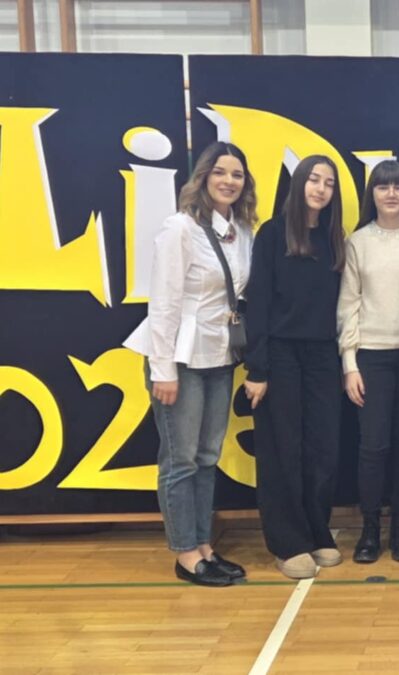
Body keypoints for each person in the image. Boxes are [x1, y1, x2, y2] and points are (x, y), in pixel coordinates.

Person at [124, 141, 256, 586]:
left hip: (220, 355)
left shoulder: (241, 231)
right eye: (220, 172)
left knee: (206, 456)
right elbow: (163, 302)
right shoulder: (180, 228)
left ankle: (205, 546)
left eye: (237, 174)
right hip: (179, 359)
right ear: (203, 178)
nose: (228, 181)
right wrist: (162, 368)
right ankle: (185, 554)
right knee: (179, 459)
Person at [243, 155, 346, 579]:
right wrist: (257, 368)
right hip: (280, 354)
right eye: (314, 179)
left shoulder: (335, 239)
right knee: (281, 448)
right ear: (299, 183)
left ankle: (317, 530)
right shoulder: (272, 233)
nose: (320, 188)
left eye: (329, 183)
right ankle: (287, 542)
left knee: (322, 448)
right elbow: (258, 302)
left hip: (323, 355)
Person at [338, 159, 399, 564]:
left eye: (398, 186)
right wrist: (350, 363)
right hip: (371, 358)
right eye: (383, 186)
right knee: (373, 447)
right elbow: (349, 305)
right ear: (372, 194)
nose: (391, 194)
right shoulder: (358, 242)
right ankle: (369, 530)